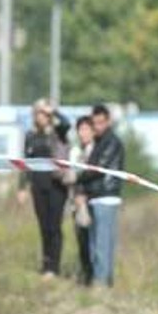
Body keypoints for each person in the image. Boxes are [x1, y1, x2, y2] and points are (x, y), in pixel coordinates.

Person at [16, 99, 71, 278]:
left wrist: (53, 111)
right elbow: (25, 162)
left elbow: (67, 123)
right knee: (43, 226)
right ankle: (46, 264)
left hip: (56, 185)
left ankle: (54, 268)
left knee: (54, 226)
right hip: (38, 186)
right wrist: (22, 187)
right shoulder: (30, 136)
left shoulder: (57, 132)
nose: (42, 117)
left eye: (45, 114)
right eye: (39, 113)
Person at [77, 104, 125, 287]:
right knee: (94, 243)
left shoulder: (111, 141)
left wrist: (77, 177)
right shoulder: (98, 142)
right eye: (94, 123)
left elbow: (97, 169)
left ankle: (102, 283)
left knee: (102, 244)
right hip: (94, 196)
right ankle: (100, 280)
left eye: (100, 122)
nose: (97, 126)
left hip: (106, 196)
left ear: (108, 121)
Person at [69, 115, 95, 286]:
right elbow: (73, 176)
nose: (83, 133)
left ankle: (95, 276)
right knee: (81, 239)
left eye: (86, 129)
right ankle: (86, 274)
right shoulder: (76, 152)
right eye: (80, 129)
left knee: (94, 240)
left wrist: (85, 194)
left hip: (92, 200)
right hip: (76, 202)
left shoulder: (96, 151)